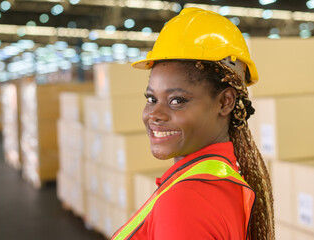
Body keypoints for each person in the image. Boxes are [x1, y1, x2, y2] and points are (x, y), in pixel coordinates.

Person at [112, 7, 274, 240]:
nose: (155, 114)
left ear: (225, 102)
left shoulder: (187, 201)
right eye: (151, 98)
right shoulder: (218, 179)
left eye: (177, 100)